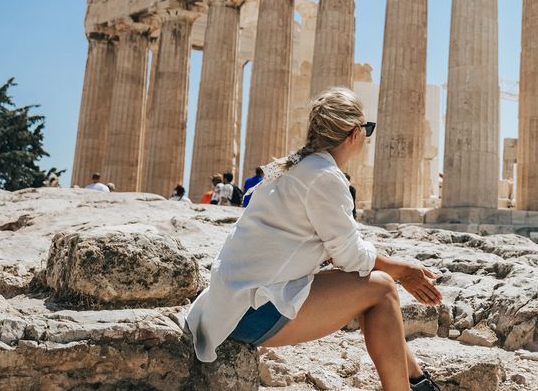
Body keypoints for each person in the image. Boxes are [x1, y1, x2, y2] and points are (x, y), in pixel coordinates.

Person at [184, 87, 441, 391]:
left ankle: (417, 382)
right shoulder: (325, 177)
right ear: (355, 134)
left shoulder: (295, 166)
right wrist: (403, 270)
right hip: (250, 313)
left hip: (232, 303)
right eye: (367, 129)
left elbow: (342, 253)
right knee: (382, 289)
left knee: (376, 290)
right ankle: (408, 386)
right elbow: (350, 258)